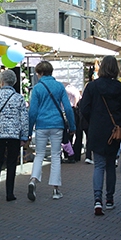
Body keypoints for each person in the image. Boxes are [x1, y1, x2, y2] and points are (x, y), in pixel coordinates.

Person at [80, 56, 121, 215]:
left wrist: (93, 121)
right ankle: (110, 199)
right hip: (115, 131)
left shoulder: (92, 87)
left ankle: (97, 200)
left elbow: (84, 108)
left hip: (97, 129)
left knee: (99, 165)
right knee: (110, 165)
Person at [28, 61, 76, 201]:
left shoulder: (37, 88)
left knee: (39, 154)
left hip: (41, 125)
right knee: (56, 156)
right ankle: (55, 189)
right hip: (57, 124)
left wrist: (29, 131)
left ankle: (33, 180)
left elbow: (32, 112)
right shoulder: (59, 87)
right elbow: (67, 108)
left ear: (39, 73)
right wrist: (72, 126)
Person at [0, 69, 28, 202]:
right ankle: (10, 193)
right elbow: (24, 119)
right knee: (11, 163)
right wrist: (24, 136)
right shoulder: (19, 98)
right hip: (14, 135)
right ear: (14, 82)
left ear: (1, 81)